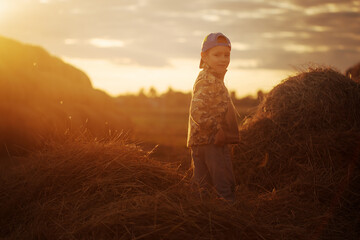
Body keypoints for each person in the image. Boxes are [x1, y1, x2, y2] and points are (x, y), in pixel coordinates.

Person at [187, 32, 239, 202]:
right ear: (204, 57)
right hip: (211, 142)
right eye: (217, 55)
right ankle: (229, 215)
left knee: (202, 187)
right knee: (224, 185)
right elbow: (197, 112)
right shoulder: (207, 80)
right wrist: (217, 130)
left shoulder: (214, 78)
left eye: (227, 55)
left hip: (201, 141)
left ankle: (201, 214)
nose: (223, 59)